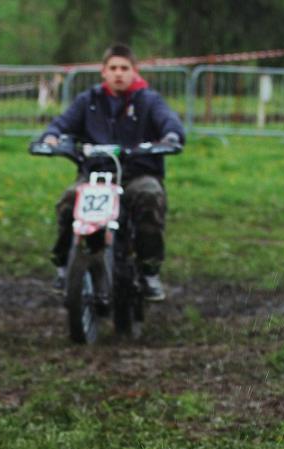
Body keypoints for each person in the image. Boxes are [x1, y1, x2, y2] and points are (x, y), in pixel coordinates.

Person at [41, 44, 185, 302]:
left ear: (134, 72)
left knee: (150, 197)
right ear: (103, 72)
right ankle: (63, 266)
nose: (119, 73)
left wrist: (171, 136)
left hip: (137, 173)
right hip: (95, 176)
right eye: (113, 68)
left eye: (124, 68)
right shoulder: (89, 100)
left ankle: (149, 270)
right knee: (68, 201)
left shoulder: (149, 100)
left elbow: (169, 122)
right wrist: (51, 137)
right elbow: (62, 124)